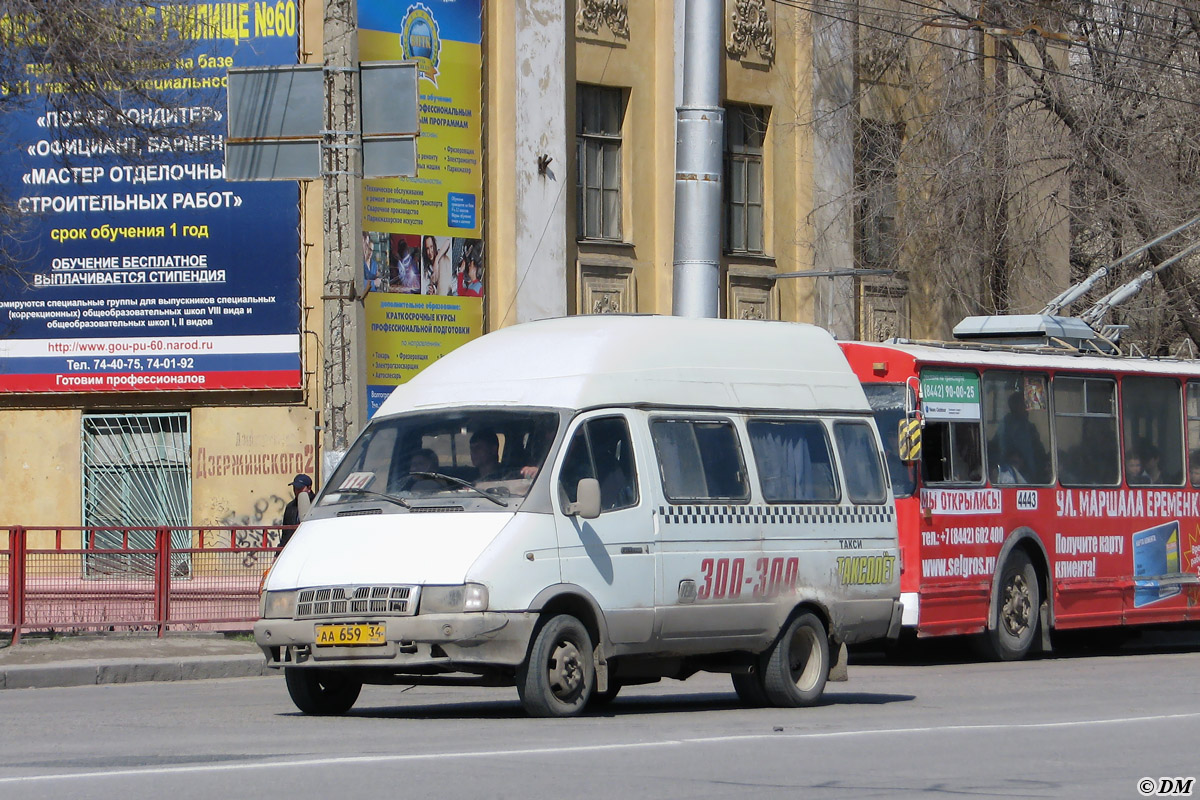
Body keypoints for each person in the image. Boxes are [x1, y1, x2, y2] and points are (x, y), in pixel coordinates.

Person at [281, 474, 315, 546]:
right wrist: (278, 553)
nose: (296, 491)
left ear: (309, 488)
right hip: (293, 546)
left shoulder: (316, 505)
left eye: (300, 488)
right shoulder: (290, 507)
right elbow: (285, 534)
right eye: (295, 488)